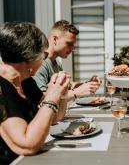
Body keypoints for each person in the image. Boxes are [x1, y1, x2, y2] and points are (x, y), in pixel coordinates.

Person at [0, 22, 70, 163]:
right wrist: (53, 95)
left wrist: (61, 91)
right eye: (43, 55)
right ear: (30, 56)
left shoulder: (26, 82)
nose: (44, 59)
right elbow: (27, 145)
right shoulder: (2, 88)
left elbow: (55, 117)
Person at [33, 20, 100, 100]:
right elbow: (41, 98)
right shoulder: (40, 63)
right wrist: (76, 92)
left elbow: (67, 86)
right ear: (55, 39)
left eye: (73, 45)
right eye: (69, 44)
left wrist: (88, 85)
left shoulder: (55, 62)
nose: (72, 49)